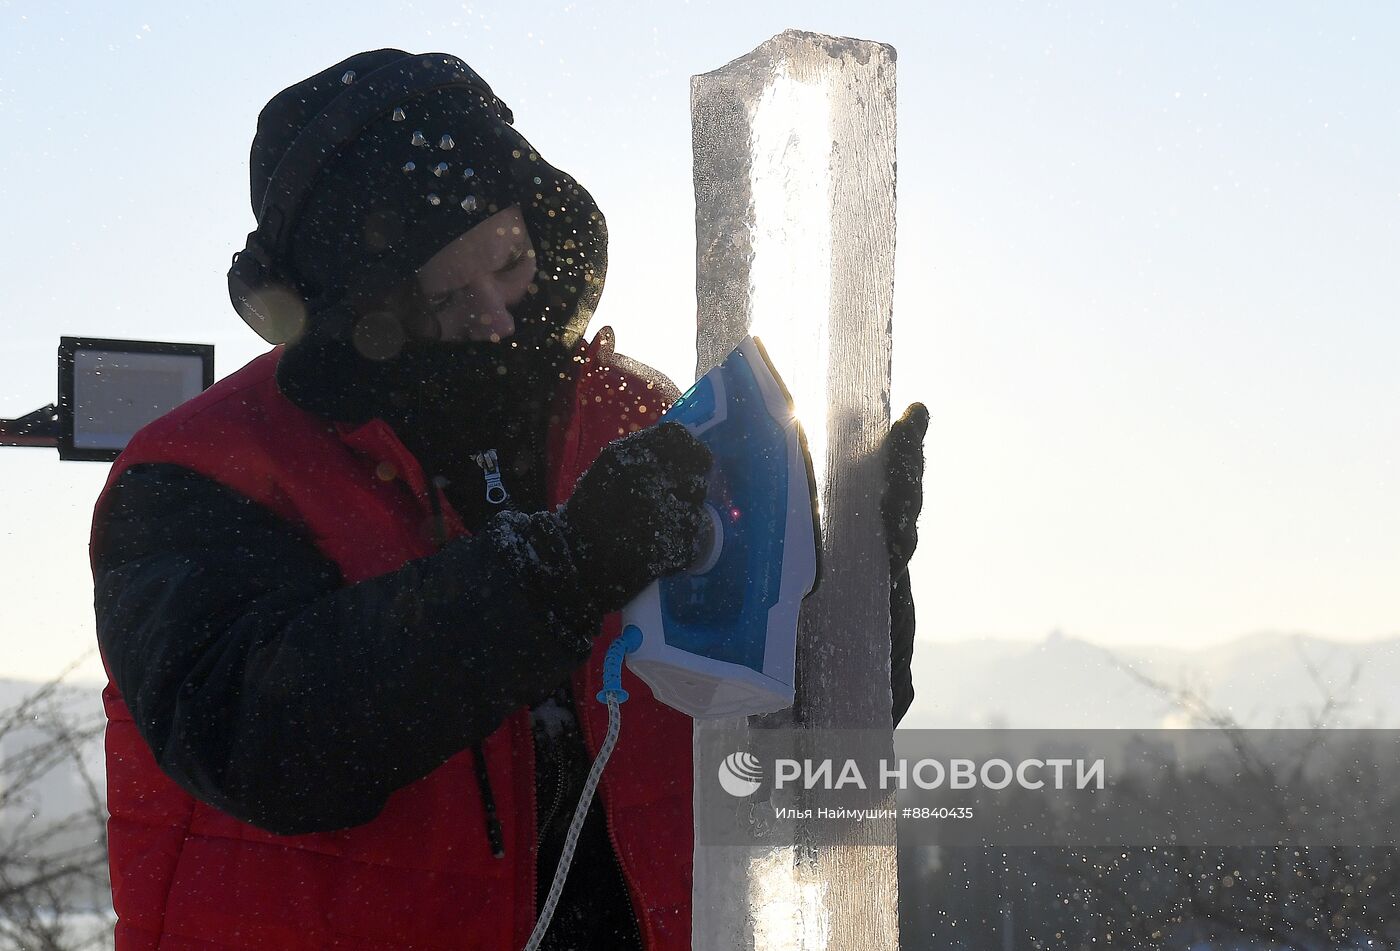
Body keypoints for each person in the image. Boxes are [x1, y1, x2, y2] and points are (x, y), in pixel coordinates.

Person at [90, 49, 926, 951]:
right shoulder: (199, 473)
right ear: (356, 307)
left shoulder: (635, 419)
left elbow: (779, 747)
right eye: (446, 296)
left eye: (512, 261)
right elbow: (261, 742)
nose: (497, 315)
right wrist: (562, 572)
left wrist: (853, 589)